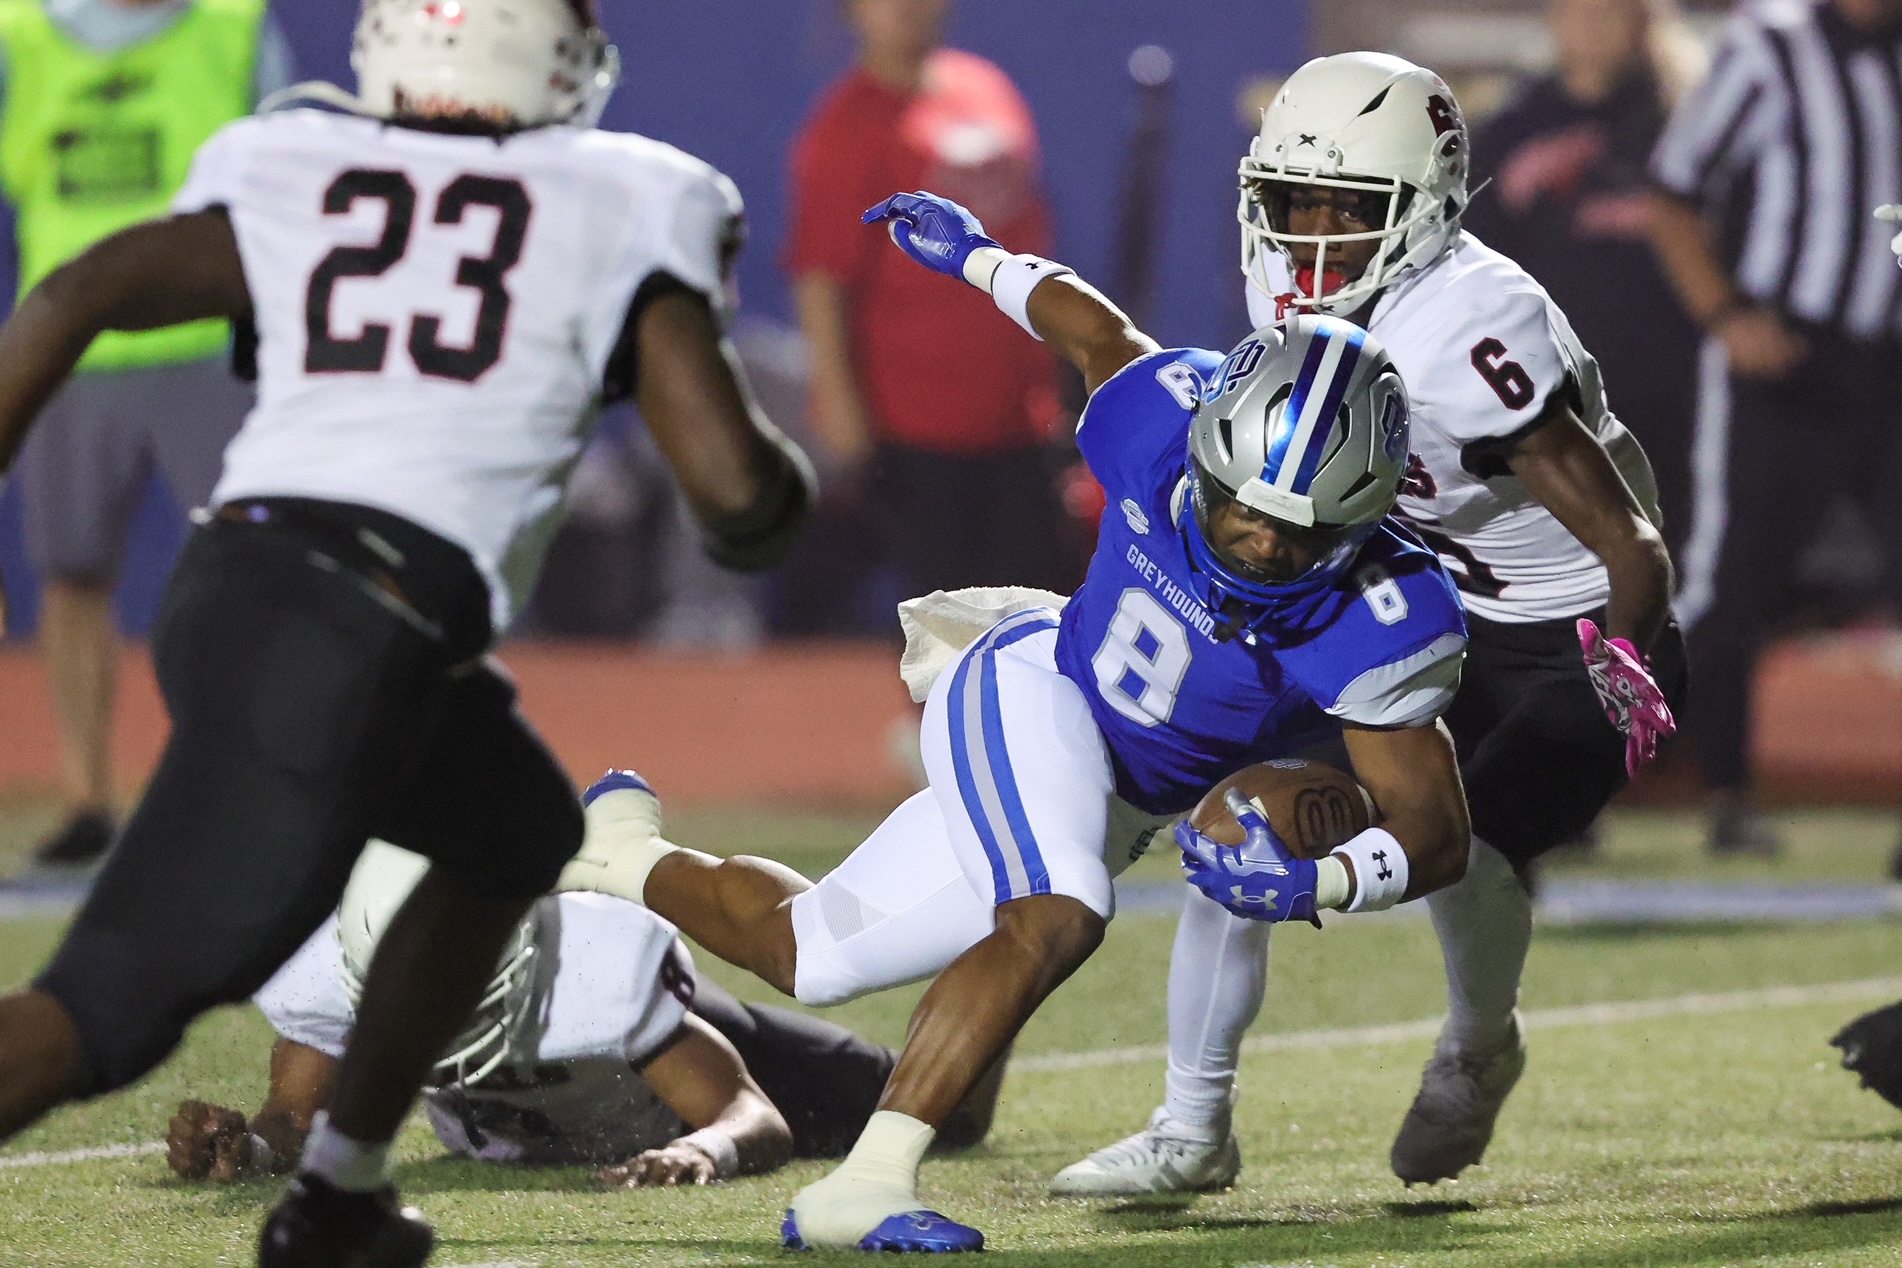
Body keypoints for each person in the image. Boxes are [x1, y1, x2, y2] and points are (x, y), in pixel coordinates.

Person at [0, 2, 815, 1265]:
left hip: (250, 583)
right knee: (108, 1008)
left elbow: (75, 287)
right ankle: (329, 1198)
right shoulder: (622, 198)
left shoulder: (302, 161)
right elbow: (734, 502)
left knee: (516, 829)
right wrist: (776, 479)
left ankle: (338, 1196)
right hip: (356, 627)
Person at [557, 189, 1479, 1251]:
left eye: (1296, 534)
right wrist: (979, 257)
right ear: (1210, 448)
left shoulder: (1388, 614)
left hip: (1121, 791)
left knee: (810, 950)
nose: (1262, 549)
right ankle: (863, 1185)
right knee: (1059, 907)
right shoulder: (1158, 421)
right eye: (1240, 512)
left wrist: (1323, 877)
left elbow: (1435, 826)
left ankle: (616, 851)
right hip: (1035, 685)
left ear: (1364, 521)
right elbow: (1095, 330)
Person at [1054, 51, 1682, 1198]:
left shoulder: (1472, 326)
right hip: (1396, 597)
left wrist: (1624, 662)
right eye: (1295, 204)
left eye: (1354, 210)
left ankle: (1479, 1045)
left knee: (1472, 855)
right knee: (1234, 835)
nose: (1317, 237)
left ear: (1430, 204)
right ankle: (1191, 1129)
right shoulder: (1286, 295)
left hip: (1560, 624)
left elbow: (1631, 545)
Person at [169, 810, 998, 1187]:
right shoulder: (331, 973)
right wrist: (250, 1149)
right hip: (539, 1132)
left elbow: (755, 1118)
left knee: (951, 1113)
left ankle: (995, 925)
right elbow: (294, 1116)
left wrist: (702, 1152)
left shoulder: (596, 969)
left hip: (675, 1089)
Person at [0, 0, 294, 867]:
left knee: (255, 575)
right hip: (69, 352)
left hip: (207, 344)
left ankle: (261, 787)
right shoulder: (18, 32)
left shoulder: (234, 27)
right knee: (72, 571)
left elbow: (290, 183)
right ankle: (89, 797)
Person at [1647, 0, 1902, 857]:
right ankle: (1720, 793)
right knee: (1729, 578)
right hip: (1781, 356)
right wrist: (1724, 314)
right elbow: (1673, 189)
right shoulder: (1770, 44)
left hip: (1891, 364)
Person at [783, 0, 1072, 613]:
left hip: (1019, 417)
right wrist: (837, 399)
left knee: (1042, 608)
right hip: (915, 423)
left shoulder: (988, 87)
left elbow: (1031, 243)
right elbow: (821, 276)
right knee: (947, 615)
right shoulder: (845, 127)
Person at [1462, 0, 1704, 562]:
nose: (1593, 22)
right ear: (1552, 18)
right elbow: (1471, 265)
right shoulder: (1509, 128)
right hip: (1547, 387)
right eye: (1579, 9)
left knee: (1669, 551)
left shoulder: (1688, 119)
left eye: (1611, 11)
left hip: (1670, 384)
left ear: (1645, 20)